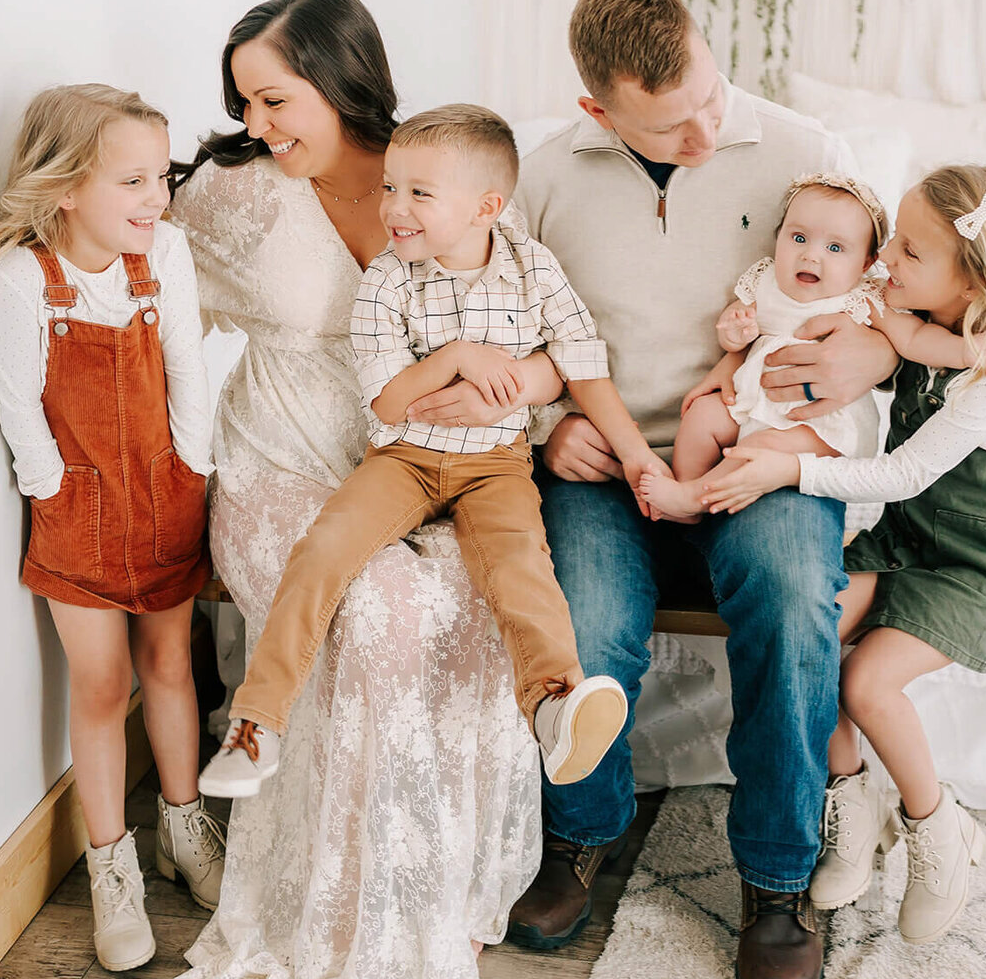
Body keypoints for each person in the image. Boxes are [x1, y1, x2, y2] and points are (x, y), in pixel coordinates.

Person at [168, 0, 551, 979]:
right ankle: (337, 911)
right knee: (377, 611)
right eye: (244, 105)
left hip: (421, 469)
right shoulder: (234, 195)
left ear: (343, 82)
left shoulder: (431, 177)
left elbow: (521, 308)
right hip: (279, 473)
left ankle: (439, 892)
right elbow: (131, 261)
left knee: (465, 598)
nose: (258, 126)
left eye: (275, 99)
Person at [511, 0, 898, 979]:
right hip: (611, 463)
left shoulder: (806, 151)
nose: (706, 131)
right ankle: (579, 838)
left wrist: (865, 359)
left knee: (787, 598)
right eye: (673, 126)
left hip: (761, 456)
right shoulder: (543, 179)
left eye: (711, 100)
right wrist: (552, 434)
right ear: (598, 109)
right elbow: (506, 333)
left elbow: (891, 303)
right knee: (585, 628)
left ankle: (778, 881)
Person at [199, 103, 653, 799]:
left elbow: (580, 360)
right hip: (403, 459)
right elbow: (386, 400)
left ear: (486, 208)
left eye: (418, 193)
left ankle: (555, 700)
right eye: (390, 187)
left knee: (520, 565)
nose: (394, 208)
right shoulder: (387, 277)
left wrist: (638, 457)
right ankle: (257, 722)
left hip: (495, 468)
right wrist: (459, 357)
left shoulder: (532, 267)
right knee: (323, 549)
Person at [702, 165, 986, 943]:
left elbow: (905, 471)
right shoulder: (913, 317)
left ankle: (938, 828)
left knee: (867, 680)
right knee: (811, 638)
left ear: (970, 281)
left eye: (907, 249)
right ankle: (852, 799)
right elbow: (884, 332)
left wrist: (788, 465)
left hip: (973, 560)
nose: (885, 260)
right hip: (907, 537)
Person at [0, 85, 223, 973]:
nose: (155, 197)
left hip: (166, 492)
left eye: (160, 175)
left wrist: (191, 468)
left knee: (169, 661)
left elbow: (188, 365)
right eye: (132, 179)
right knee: (101, 678)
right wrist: (54, 491)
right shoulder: (24, 277)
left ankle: (184, 827)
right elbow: (21, 406)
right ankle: (111, 865)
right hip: (76, 515)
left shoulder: (165, 254)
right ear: (66, 187)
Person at [642, 172, 986, 523]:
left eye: (835, 247)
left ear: (865, 262)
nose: (811, 255)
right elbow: (736, 330)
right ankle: (684, 497)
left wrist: (969, 352)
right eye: (798, 238)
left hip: (819, 423)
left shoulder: (866, 296)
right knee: (702, 415)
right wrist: (735, 336)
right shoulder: (767, 281)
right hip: (753, 399)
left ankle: (696, 497)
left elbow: (914, 340)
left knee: (766, 445)